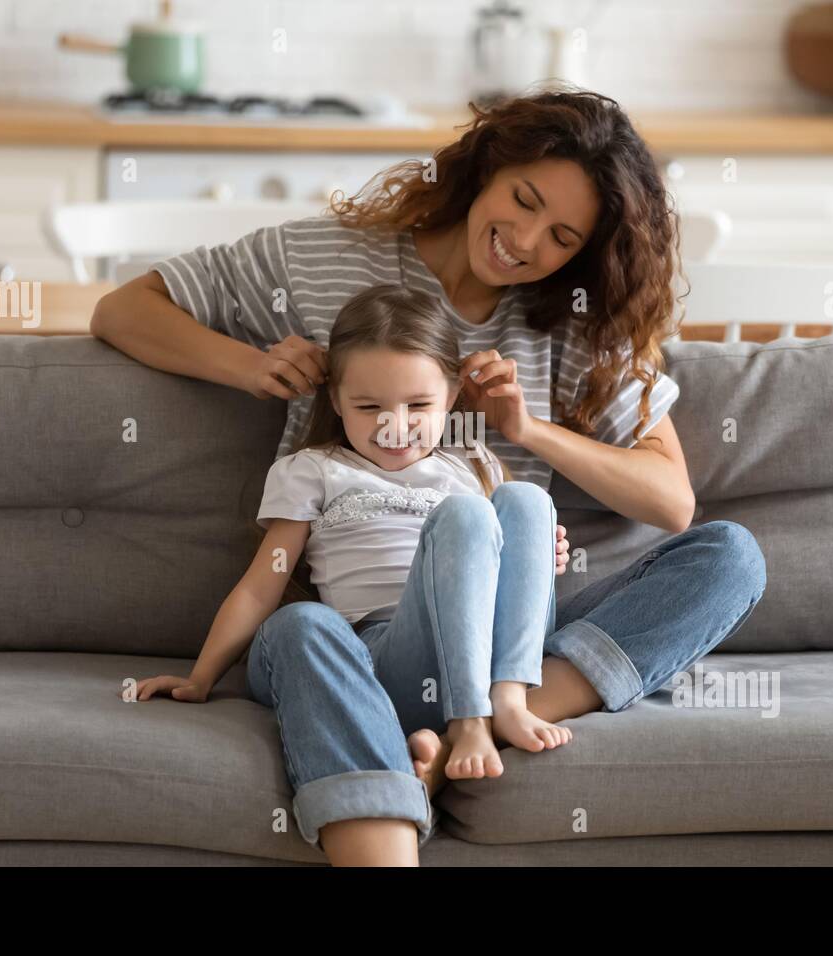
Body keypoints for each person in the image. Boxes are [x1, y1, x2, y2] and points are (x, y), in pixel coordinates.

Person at [93, 87, 767, 866]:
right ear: (487, 165)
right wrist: (250, 366)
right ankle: (431, 766)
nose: (522, 240)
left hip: (510, 643)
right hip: (374, 633)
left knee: (730, 558)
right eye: (521, 199)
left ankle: (460, 736)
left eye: (560, 236)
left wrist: (527, 431)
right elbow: (124, 309)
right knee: (299, 630)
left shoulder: (573, 318)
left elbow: (670, 500)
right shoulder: (321, 259)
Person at [129, 284, 575, 853]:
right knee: (310, 618)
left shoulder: (473, 467)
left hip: (479, 652)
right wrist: (201, 676)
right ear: (336, 401)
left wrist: (542, 553)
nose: (395, 426)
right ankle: (463, 724)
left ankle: (500, 706)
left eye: (418, 406)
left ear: (454, 393)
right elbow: (260, 587)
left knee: (529, 503)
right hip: (376, 654)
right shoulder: (314, 469)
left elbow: (515, 568)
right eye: (370, 408)